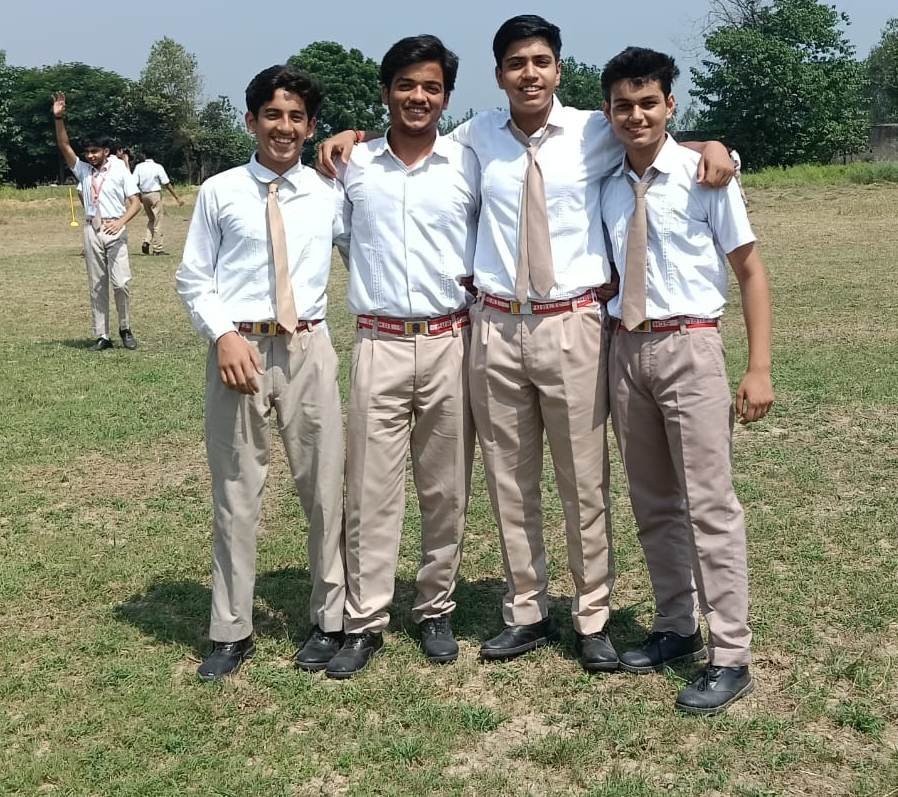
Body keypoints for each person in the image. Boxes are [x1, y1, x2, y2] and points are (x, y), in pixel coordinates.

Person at [319, 15, 735, 673]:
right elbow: (411, 136)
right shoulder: (475, 138)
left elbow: (654, 136)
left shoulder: (595, 131)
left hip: (573, 323)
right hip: (494, 325)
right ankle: (526, 610)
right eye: (516, 63)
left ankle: (592, 616)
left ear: (559, 69)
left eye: (541, 61)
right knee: (510, 481)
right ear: (499, 75)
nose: (530, 73)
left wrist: (717, 144)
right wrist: (351, 137)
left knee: (583, 481)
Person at [599, 47, 773, 714]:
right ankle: (676, 623)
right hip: (626, 349)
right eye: (624, 105)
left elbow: (750, 271)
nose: (636, 115)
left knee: (710, 503)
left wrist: (758, 367)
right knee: (652, 500)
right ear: (609, 112)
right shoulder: (608, 181)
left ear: (671, 106)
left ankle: (730, 653)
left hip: (690, 346)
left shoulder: (707, 179)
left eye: (649, 103)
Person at [175, 65, 348, 681]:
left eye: (296, 117)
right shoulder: (219, 191)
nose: (284, 127)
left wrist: (356, 140)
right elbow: (194, 276)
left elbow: (365, 251)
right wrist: (223, 335)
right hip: (239, 351)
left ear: (311, 126)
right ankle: (231, 629)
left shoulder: (330, 194)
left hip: (307, 347)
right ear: (251, 121)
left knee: (325, 488)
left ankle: (331, 618)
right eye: (272, 114)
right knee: (235, 492)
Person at [323, 35, 479, 679]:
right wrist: (341, 140)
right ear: (386, 91)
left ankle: (436, 606)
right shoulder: (352, 165)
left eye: (432, 87)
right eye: (407, 85)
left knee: (446, 486)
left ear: (447, 95)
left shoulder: (467, 161)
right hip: (379, 341)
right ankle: (365, 619)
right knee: (370, 489)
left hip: (451, 341)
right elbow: (332, 234)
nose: (419, 97)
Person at [52, 93, 142, 351]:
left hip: (115, 229)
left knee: (121, 283)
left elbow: (135, 202)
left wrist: (121, 222)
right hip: (92, 229)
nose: (90, 156)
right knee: (97, 285)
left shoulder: (119, 169)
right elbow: (64, 146)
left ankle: (125, 328)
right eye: (88, 152)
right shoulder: (84, 170)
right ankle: (102, 335)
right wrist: (58, 118)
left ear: (106, 151)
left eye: (95, 151)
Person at [133, 151, 184, 256]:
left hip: (144, 195)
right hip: (155, 194)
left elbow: (133, 183)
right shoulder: (158, 167)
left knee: (151, 220)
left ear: (144, 156)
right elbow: (166, 183)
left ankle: (146, 241)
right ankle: (158, 248)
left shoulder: (139, 167)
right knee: (158, 221)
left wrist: (138, 195)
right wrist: (177, 197)